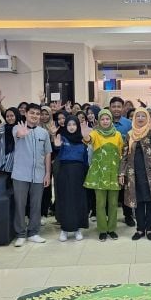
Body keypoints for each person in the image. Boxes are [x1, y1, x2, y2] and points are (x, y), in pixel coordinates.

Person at [120, 108, 151, 241]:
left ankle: (150, 229)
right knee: (139, 202)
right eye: (138, 116)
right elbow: (124, 154)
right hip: (134, 174)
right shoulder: (130, 134)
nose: (140, 118)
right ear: (134, 118)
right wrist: (121, 172)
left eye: (143, 116)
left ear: (147, 118)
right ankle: (140, 229)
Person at [11, 104, 52, 246]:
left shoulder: (43, 133)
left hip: (39, 174)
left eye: (37, 113)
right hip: (20, 174)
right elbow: (17, 135)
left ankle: (33, 232)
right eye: (32, 113)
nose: (35, 116)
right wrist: (21, 134)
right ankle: (21, 233)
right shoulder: (17, 128)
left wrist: (47, 174)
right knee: (20, 204)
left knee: (36, 204)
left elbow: (47, 153)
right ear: (26, 114)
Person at [83, 109, 124, 241]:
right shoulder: (95, 133)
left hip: (113, 173)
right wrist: (85, 135)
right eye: (102, 119)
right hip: (99, 173)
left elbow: (121, 153)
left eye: (107, 119)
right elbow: (88, 140)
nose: (105, 121)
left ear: (111, 120)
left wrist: (121, 173)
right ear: (99, 121)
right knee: (100, 203)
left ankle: (111, 229)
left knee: (113, 203)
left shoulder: (117, 135)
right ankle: (102, 229)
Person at [53, 115, 89, 241]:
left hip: (79, 173)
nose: (72, 127)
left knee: (78, 200)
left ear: (78, 126)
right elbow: (57, 153)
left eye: (74, 124)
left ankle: (77, 228)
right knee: (65, 200)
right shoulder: (61, 139)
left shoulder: (83, 141)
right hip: (64, 172)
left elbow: (86, 160)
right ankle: (64, 229)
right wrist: (56, 146)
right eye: (69, 125)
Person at [109, 97, 135, 227]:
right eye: (114, 106)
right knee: (111, 189)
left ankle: (128, 215)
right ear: (110, 108)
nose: (116, 109)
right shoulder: (105, 122)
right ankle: (110, 216)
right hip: (109, 162)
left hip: (125, 161)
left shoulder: (129, 124)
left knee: (126, 189)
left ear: (123, 108)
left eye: (119, 106)